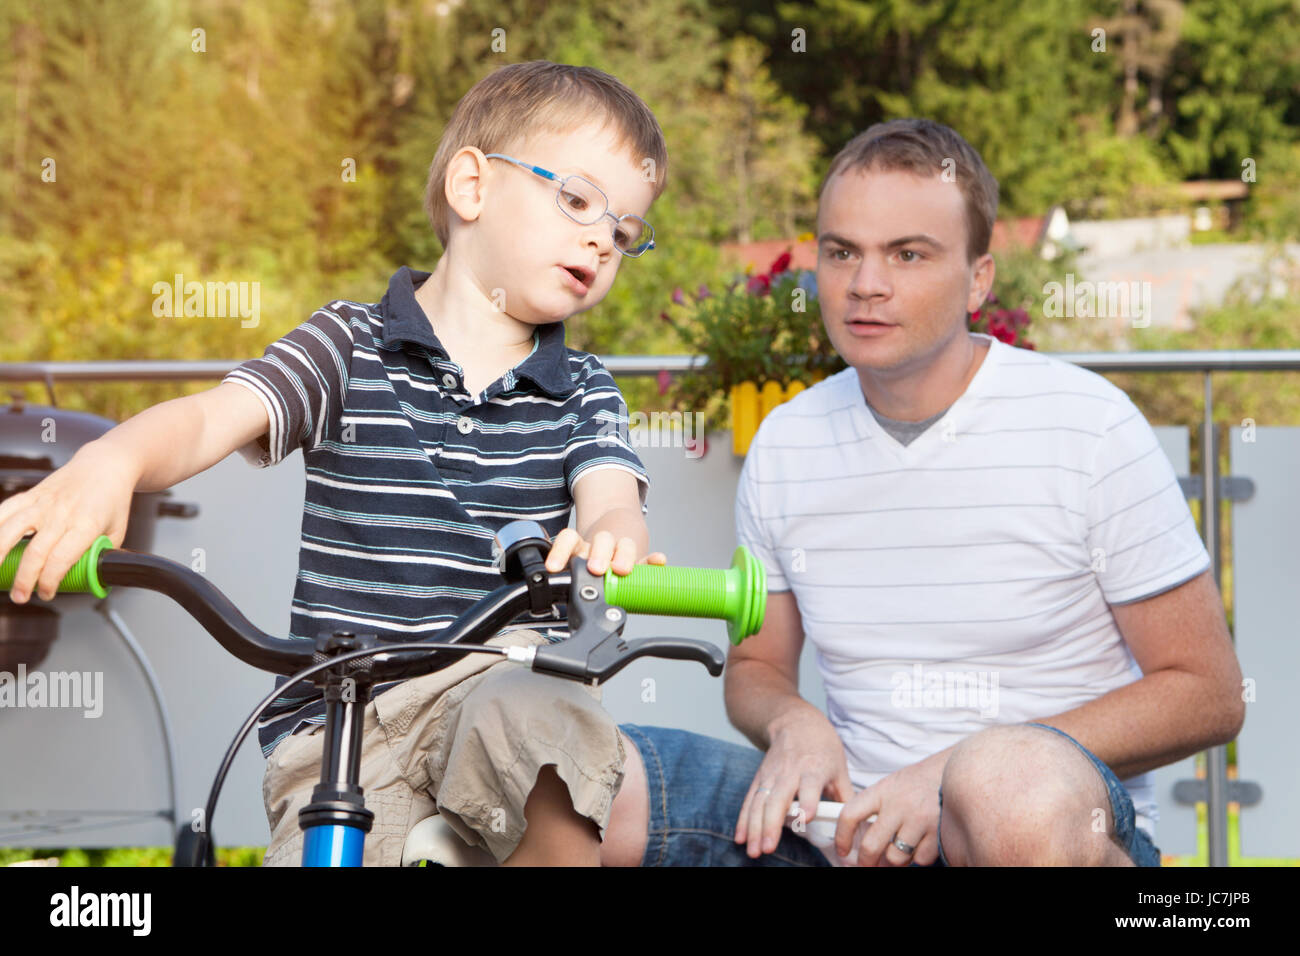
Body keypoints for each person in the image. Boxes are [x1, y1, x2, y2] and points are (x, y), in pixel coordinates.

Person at [0, 61, 673, 866]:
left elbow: (609, 498)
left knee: (545, 724)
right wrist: (111, 461)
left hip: (500, 683)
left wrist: (611, 537)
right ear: (472, 186)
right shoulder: (348, 346)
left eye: (625, 233)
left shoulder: (584, 392)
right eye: (577, 200)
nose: (603, 239)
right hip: (341, 719)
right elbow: (212, 417)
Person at [604, 118, 1245, 867]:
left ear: (979, 279)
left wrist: (950, 780)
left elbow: (1208, 692)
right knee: (577, 777)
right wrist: (793, 723)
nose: (866, 285)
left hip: (1038, 829)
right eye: (842, 252)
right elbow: (758, 669)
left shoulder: (1090, 426)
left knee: (1005, 786)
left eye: (908, 254)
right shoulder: (787, 440)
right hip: (847, 826)